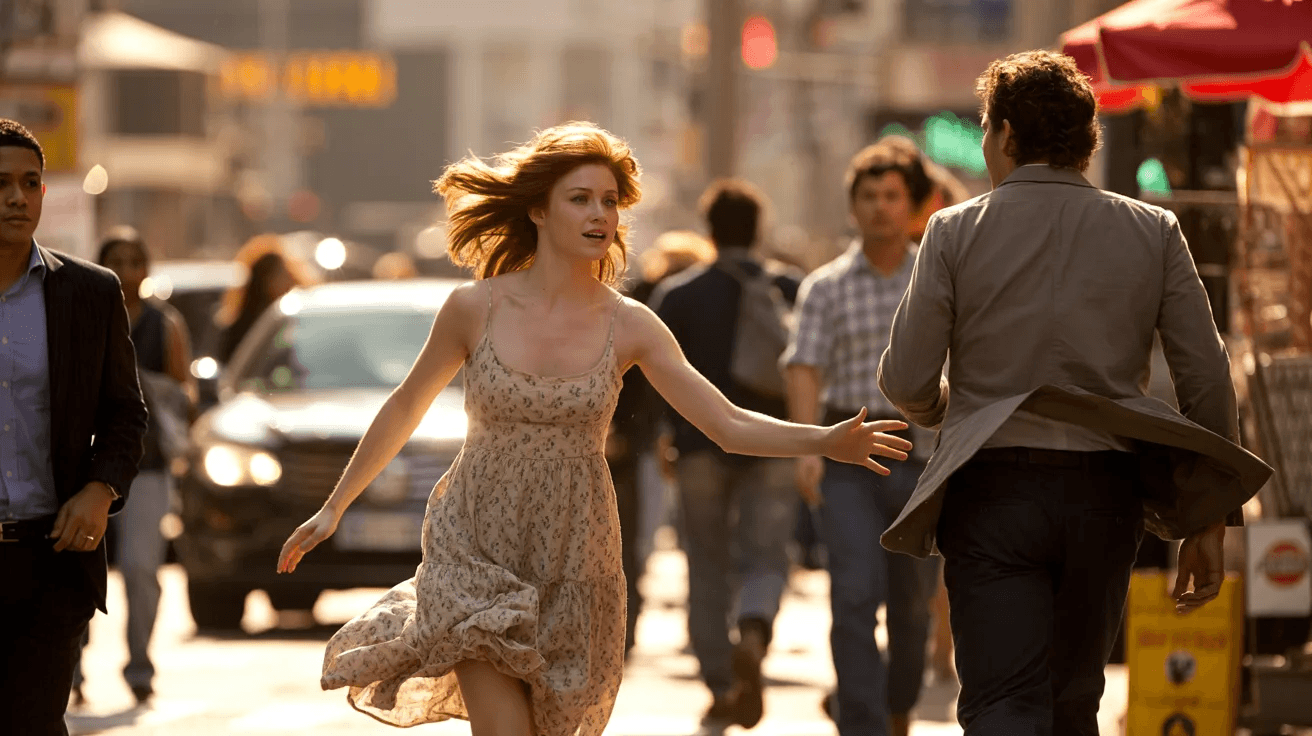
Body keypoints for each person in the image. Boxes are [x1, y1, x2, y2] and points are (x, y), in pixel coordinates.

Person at [275, 122, 913, 736]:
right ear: (538, 210)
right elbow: (406, 405)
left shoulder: (630, 324)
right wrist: (334, 506)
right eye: (580, 199)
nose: (599, 214)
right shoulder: (474, 308)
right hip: (473, 543)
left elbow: (725, 422)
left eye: (609, 201)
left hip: (573, 555)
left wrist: (824, 439)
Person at [876, 51, 1272, 735]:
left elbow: (907, 378)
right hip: (1104, 495)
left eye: (985, 128)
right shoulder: (1153, 231)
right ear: (1085, 139)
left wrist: (947, 410)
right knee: (1072, 705)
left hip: (991, 489)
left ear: (1004, 133)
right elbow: (1206, 378)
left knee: (1002, 703)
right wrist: (1207, 522)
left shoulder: (953, 231)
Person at [783, 142, 938, 736]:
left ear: (913, 206)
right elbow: (804, 366)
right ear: (853, 207)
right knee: (853, 595)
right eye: (868, 196)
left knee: (912, 603)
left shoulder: (935, 278)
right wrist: (808, 451)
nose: (879, 207)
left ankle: (897, 707)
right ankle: (863, 723)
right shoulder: (824, 287)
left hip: (921, 457)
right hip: (847, 457)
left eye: (891, 196)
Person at [0, 119, 149, 735]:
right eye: (1, 184)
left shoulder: (89, 292)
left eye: (29, 183)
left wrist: (100, 489)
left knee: (34, 723)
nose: (17, 197)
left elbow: (125, 412)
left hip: (49, 559)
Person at [648, 179, 803, 729]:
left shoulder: (679, 294)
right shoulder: (789, 287)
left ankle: (720, 684)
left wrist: (664, 437)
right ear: (759, 230)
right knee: (768, 553)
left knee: (705, 561)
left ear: (709, 230)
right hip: (775, 443)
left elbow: (657, 380)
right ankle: (755, 629)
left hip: (698, 447)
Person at [71, 227, 196, 706]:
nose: (125, 271)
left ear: (146, 268)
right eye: (115, 261)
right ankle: (71, 669)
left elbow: (185, 393)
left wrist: (151, 388)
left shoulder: (165, 324)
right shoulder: (81, 316)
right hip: (85, 466)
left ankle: (140, 667)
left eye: (133, 261)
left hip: (148, 465)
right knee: (78, 568)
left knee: (142, 570)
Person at [609, 229, 716, 658]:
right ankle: (695, 629)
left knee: (632, 539)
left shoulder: (638, 302)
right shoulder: (698, 305)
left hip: (634, 440)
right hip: (667, 438)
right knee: (686, 540)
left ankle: (626, 629)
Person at [215, 249, 299, 364]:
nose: (290, 282)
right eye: (284, 276)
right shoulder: (246, 329)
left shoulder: (289, 318)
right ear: (268, 281)